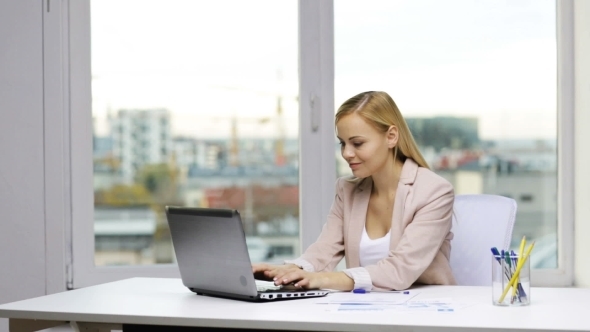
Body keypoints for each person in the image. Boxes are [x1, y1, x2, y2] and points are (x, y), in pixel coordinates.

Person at [252, 91, 456, 291]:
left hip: (426, 311)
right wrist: (286, 271)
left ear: (391, 137)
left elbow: (400, 270)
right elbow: (324, 250)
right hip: (364, 311)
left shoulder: (434, 192)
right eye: (343, 143)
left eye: (357, 143)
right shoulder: (347, 190)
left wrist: (319, 279)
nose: (346, 154)